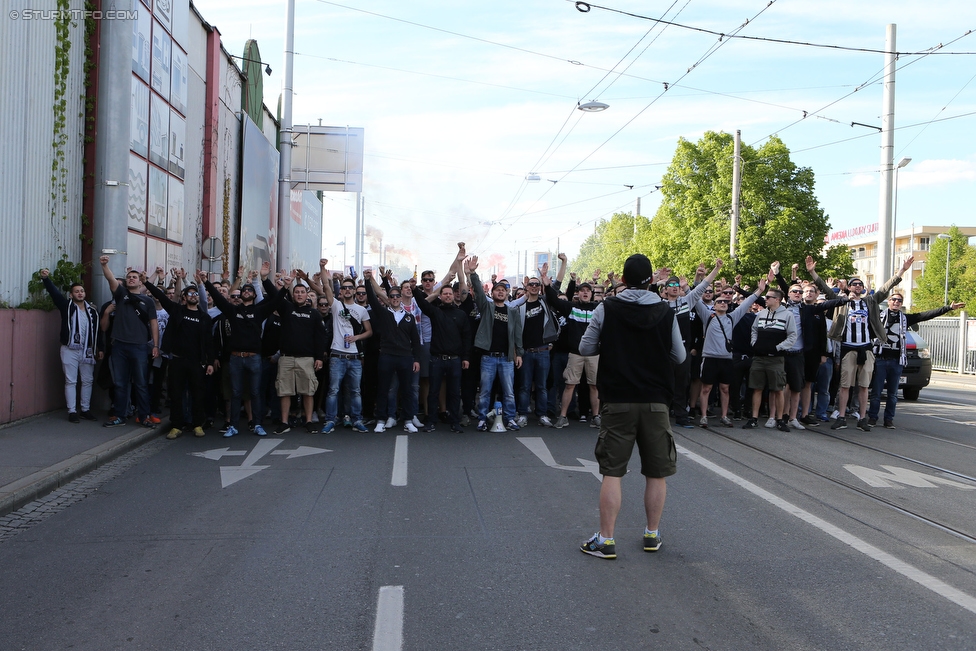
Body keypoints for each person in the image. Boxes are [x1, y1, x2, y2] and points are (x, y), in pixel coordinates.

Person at [577, 253, 685, 559]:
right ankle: (652, 534)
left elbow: (585, 347)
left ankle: (606, 540)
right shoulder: (666, 311)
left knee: (613, 471)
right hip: (655, 400)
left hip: (618, 399)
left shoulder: (606, 308)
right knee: (656, 472)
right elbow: (679, 357)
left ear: (622, 280)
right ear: (652, 281)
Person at [829, 256, 913, 431]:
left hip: (866, 348)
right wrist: (812, 272)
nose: (858, 286)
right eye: (854, 284)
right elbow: (825, 290)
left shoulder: (870, 301)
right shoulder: (842, 302)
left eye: (860, 284)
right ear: (849, 287)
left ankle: (862, 418)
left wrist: (902, 270)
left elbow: (885, 287)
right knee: (845, 385)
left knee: (864, 385)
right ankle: (842, 416)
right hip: (848, 348)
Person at [201, 264, 277, 437]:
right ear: (241, 295)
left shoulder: (259, 311)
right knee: (235, 393)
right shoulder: (232, 310)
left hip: (254, 358)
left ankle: (257, 424)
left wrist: (264, 279)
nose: (247, 291)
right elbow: (217, 297)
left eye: (250, 290)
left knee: (255, 392)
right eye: (245, 290)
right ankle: (233, 425)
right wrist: (206, 282)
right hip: (235, 357)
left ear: (255, 295)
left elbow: (275, 297)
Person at [868, 294, 964, 428]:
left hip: (897, 361)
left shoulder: (905, 319)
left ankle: (888, 419)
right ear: (889, 302)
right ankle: (872, 417)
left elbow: (926, 315)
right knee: (876, 392)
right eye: (894, 299)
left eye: (899, 300)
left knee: (893, 394)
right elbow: (870, 306)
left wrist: (948, 308)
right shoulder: (879, 316)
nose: (896, 302)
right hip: (880, 360)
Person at [143, 280, 214, 439]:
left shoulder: (204, 317)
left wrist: (210, 362)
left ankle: (197, 424)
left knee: (197, 394)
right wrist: (146, 282)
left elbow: (209, 342)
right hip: (177, 359)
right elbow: (161, 296)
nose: (193, 296)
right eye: (190, 293)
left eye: (196, 294)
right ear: (184, 297)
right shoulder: (176, 310)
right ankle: (176, 425)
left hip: (197, 362)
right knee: (176, 393)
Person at [99, 256, 159, 428]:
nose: (131, 279)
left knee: (141, 383)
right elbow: (110, 278)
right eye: (129, 277)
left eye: (135, 277)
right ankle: (119, 415)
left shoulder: (148, 301)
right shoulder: (120, 294)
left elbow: (153, 324)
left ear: (141, 282)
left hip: (140, 347)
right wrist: (104, 265)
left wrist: (155, 345)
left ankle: (144, 415)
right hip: (119, 345)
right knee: (120, 383)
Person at [466, 255, 523, 432]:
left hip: (506, 358)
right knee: (484, 392)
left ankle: (510, 419)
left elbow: (518, 335)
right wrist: (473, 273)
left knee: (509, 392)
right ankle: (482, 419)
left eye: (503, 290)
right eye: (497, 290)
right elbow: (478, 292)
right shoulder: (487, 307)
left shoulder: (512, 312)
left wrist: (518, 353)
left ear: (507, 294)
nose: (500, 292)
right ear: (492, 293)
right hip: (488, 358)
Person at [40, 268, 103, 422]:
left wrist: (100, 348)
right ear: (71, 295)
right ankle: (72, 411)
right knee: (71, 380)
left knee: (88, 380)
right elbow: (55, 294)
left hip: (87, 350)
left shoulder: (93, 311)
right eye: (76, 291)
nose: (80, 293)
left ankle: (85, 409)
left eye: (82, 291)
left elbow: (98, 331)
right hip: (69, 349)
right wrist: (46, 279)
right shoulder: (66, 307)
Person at [363, 269, 422, 433]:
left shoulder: (409, 317)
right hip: (387, 357)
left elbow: (416, 341)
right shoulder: (383, 313)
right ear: (388, 299)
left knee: (407, 390)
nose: (395, 299)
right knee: (383, 388)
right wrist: (367, 280)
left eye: (398, 296)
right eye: (392, 296)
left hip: (405, 358)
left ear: (401, 298)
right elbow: (374, 300)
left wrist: (416, 359)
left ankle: (408, 419)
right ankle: (381, 420)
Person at [271, 277, 327, 434]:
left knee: (308, 391)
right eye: (297, 292)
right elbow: (274, 297)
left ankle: (308, 420)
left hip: (307, 359)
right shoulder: (287, 308)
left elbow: (320, 338)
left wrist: (319, 358)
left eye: (303, 292)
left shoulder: (314, 314)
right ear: (293, 294)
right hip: (286, 358)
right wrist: (270, 281)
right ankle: (284, 422)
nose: (300, 294)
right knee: (284, 391)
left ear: (307, 295)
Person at [320, 275, 373, 433]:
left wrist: (357, 337)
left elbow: (369, 331)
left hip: (355, 357)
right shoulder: (336, 305)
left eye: (350, 287)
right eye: (344, 288)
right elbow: (326, 286)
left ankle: (357, 419)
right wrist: (323, 269)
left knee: (355, 391)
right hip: (337, 355)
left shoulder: (361, 310)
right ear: (341, 291)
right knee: (333, 390)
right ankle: (330, 419)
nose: (347, 290)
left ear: (355, 291)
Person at [743, 286, 797, 432]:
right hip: (759, 357)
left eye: (768, 297)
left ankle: (780, 419)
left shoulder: (787, 315)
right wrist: (754, 343)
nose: (765, 299)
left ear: (777, 300)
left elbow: (792, 335)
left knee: (778, 389)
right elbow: (754, 329)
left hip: (776, 359)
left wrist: (778, 347)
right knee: (757, 388)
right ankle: (753, 418)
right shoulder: (761, 313)